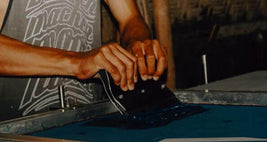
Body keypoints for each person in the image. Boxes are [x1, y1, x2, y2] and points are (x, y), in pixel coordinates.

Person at [0, 0, 167, 121]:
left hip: (90, 121)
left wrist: (138, 45)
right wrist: (77, 62)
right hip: (15, 134)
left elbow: (130, 19)